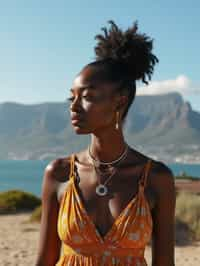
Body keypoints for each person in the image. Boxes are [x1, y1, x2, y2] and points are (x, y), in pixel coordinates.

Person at [36, 20, 176, 266]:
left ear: (119, 102)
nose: (74, 106)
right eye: (73, 97)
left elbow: (165, 263)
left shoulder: (156, 177)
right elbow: (45, 260)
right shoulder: (58, 173)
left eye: (87, 97)